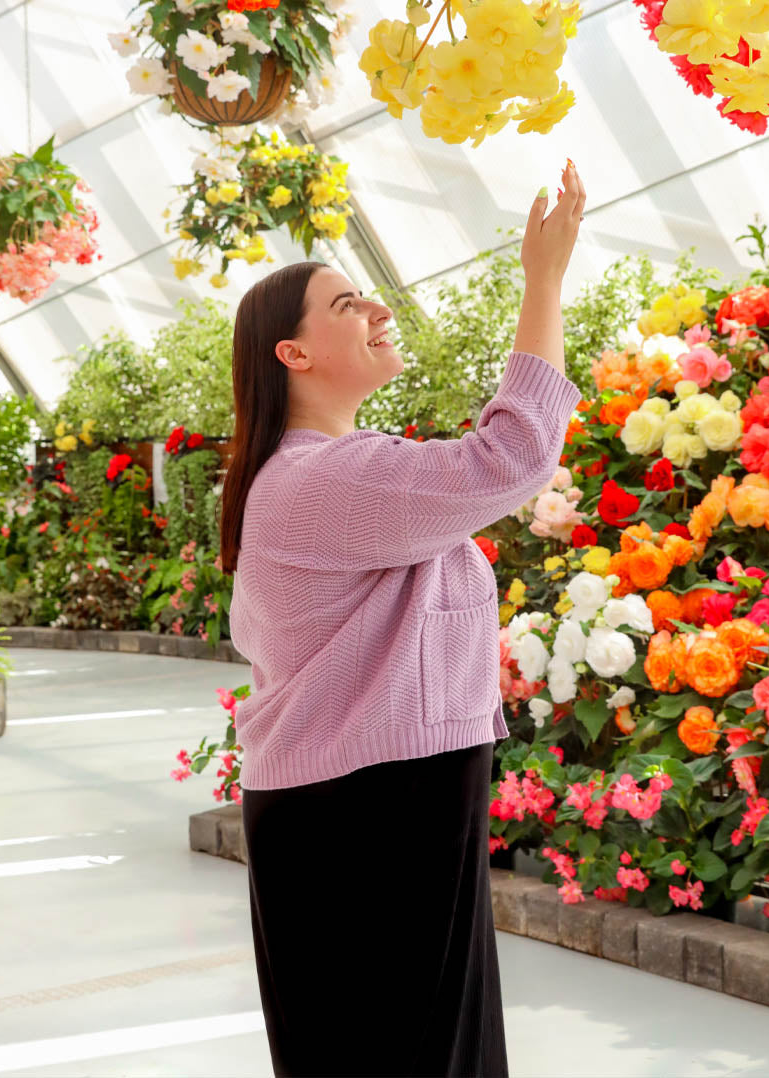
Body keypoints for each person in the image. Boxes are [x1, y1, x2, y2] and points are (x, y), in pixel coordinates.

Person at [217, 161, 586, 1077]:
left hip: (372, 800)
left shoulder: (319, 474)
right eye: (346, 305)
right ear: (290, 354)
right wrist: (543, 281)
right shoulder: (323, 478)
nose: (377, 309)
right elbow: (512, 457)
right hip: (372, 808)